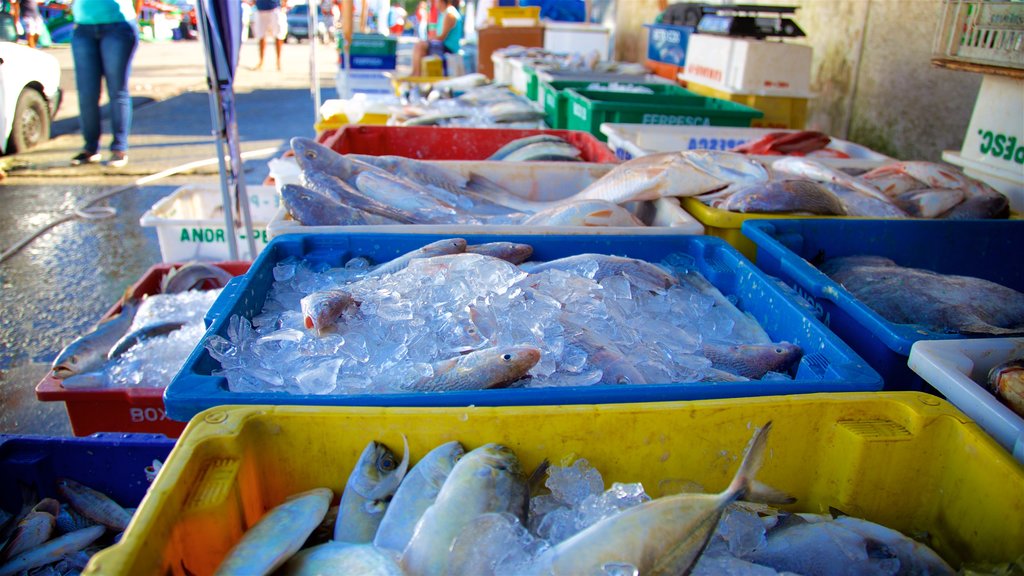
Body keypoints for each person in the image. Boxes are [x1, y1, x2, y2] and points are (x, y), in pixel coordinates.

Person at [69, 0, 141, 167]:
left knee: (117, 91)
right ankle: (90, 148)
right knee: (87, 94)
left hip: (118, 25)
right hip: (83, 26)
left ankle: (119, 149)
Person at [411, 0, 462, 76]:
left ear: (442, 2)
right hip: (443, 44)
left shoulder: (450, 14)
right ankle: (416, 73)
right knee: (420, 45)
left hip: (449, 47)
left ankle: (417, 74)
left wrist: (429, 40)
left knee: (420, 46)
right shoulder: (444, 13)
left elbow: (441, 37)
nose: (435, 4)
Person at [252, 0, 287, 71]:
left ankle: (278, 61)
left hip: (275, 8)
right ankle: (261, 62)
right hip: (260, 8)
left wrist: (284, 2)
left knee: (279, 35)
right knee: (261, 35)